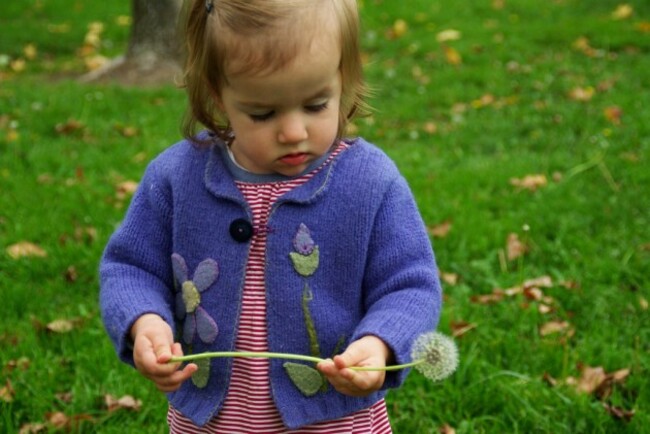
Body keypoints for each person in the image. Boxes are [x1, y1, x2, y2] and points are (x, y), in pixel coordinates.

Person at [100, 0, 442, 432]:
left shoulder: (370, 182)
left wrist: (381, 344)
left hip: (334, 417)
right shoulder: (176, 178)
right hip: (214, 420)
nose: (293, 132)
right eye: (262, 113)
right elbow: (130, 267)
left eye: (317, 105)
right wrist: (144, 320)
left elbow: (409, 284)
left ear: (345, 79)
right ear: (216, 94)